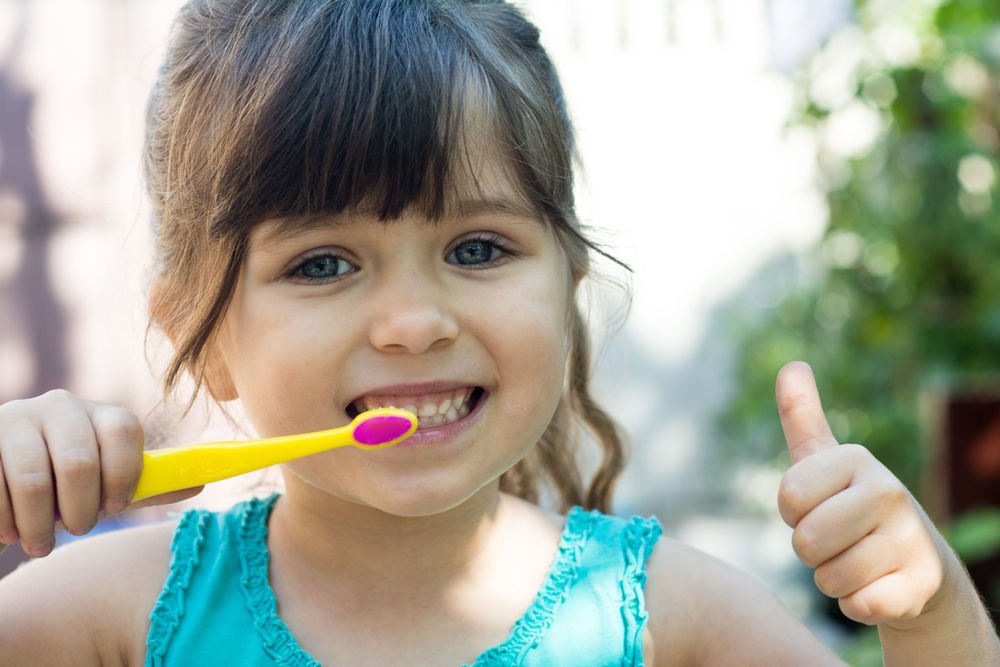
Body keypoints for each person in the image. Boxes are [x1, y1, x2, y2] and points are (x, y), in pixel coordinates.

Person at [0, 1, 996, 665]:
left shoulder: (670, 618)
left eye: (477, 248)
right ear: (199, 333)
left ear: (568, 279)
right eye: (321, 263)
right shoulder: (108, 614)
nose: (412, 323)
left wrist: (928, 611)